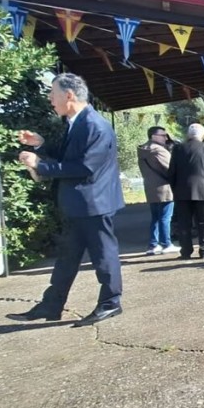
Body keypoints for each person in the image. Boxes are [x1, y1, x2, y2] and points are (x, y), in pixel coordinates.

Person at [8, 73, 125, 327]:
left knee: (104, 256)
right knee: (67, 257)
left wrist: (40, 165)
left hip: (94, 203)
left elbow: (84, 166)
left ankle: (110, 303)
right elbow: (66, 156)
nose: (50, 99)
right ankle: (51, 305)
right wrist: (40, 145)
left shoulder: (95, 125)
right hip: (80, 203)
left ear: (69, 95)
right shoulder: (78, 122)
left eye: (53, 93)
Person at [169, 123, 204, 259]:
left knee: (184, 223)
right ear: (203, 135)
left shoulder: (177, 149)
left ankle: (186, 252)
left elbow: (171, 171)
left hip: (182, 192)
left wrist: (175, 188)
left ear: (188, 134)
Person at [138, 126, 177, 255]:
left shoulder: (143, 150)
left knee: (155, 217)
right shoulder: (159, 150)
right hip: (164, 188)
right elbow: (171, 169)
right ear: (153, 136)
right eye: (163, 135)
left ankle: (153, 244)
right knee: (165, 217)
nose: (166, 138)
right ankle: (166, 243)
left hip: (151, 188)